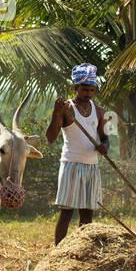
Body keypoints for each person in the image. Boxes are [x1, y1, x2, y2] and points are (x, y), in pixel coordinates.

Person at [45, 63, 108, 244]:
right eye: (84, 89)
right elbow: (50, 138)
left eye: (91, 90)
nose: (88, 93)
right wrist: (56, 114)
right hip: (71, 165)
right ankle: (58, 253)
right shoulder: (66, 109)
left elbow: (104, 138)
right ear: (75, 88)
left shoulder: (99, 111)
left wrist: (104, 146)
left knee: (87, 216)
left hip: (91, 166)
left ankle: (83, 251)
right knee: (66, 213)